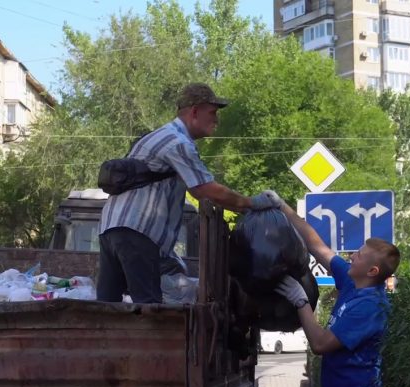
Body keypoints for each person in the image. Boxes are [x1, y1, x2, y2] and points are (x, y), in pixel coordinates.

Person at [98, 82, 282, 303]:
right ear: (195, 111)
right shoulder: (179, 143)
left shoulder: (155, 136)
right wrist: (252, 203)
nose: (217, 120)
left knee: (108, 306)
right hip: (137, 231)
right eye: (212, 113)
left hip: (110, 228)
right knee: (146, 309)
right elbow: (206, 190)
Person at [275, 199, 401, 387]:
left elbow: (320, 344)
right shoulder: (354, 282)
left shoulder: (370, 308)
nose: (352, 256)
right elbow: (317, 247)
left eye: (358, 256)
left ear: (372, 272)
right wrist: (282, 207)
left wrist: (301, 301)